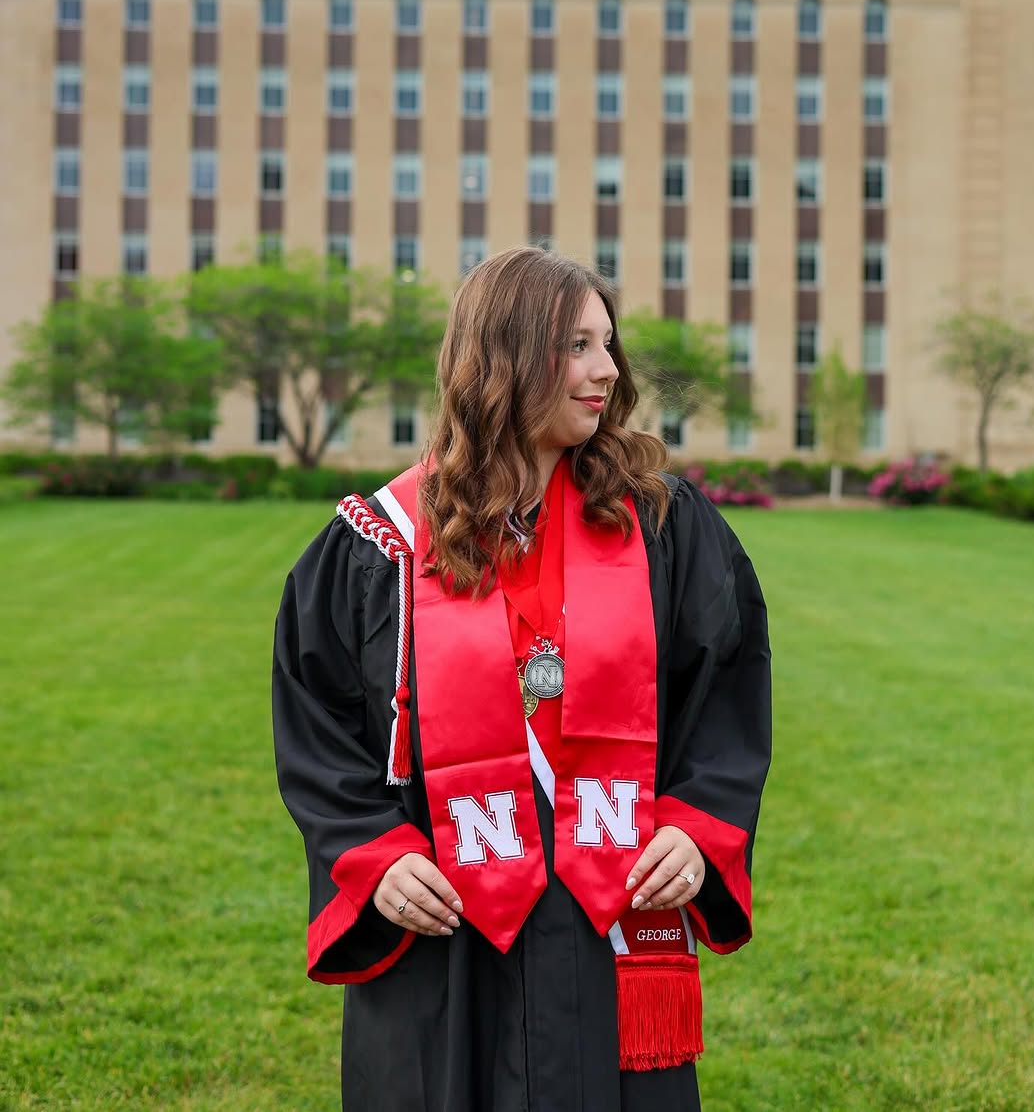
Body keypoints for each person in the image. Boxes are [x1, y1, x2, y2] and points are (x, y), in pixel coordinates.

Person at [272, 246, 771, 1112]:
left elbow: (728, 691)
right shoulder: (380, 546)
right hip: (447, 924)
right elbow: (317, 725)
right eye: (577, 346)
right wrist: (373, 855)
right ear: (504, 356)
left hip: (608, 901)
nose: (607, 371)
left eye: (607, 345)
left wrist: (697, 829)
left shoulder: (663, 525)